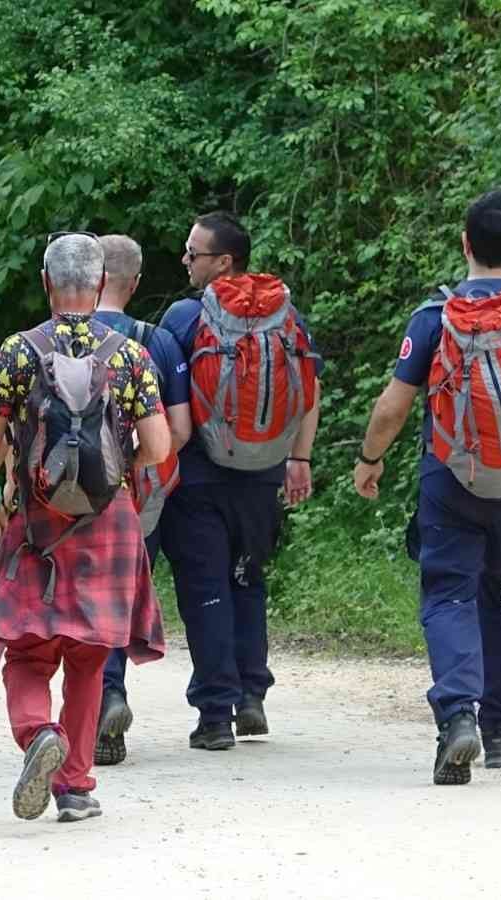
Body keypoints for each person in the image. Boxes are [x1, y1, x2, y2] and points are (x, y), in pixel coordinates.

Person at [352, 191, 501, 784]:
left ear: (465, 244)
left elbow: (393, 406)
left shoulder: (434, 318)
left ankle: (458, 714)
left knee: (449, 595)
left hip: (452, 482)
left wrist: (369, 459)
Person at [0, 232, 169, 823]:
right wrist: (120, 468)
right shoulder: (129, 354)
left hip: (36, 525)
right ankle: (76, 787)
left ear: (46, 283)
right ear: (103, 284)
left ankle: (36, 734)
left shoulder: (18, 351)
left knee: (30, 655)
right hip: (109, 526)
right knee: (87, 660)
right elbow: (158, 445)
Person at [156, 211, 322, 750]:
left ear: (223, 261)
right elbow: (309, 391)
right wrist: (299, 459)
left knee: (205, 589)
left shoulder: (185, 317)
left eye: (193, 254)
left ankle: (214, 714)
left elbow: (165, 396)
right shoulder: (285, 314)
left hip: (200, 480)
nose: (186, 261)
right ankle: (252, 695)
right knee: (247, 580)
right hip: (263, 475)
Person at [90, 233, 192, 767]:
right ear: (133, 282)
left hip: (66, 496)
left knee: (76, 595)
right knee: (118, 594)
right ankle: (110, 690)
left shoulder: (52, 339)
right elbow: (180, 429)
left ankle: (82, 708)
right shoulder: (157, 341)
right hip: (137, 496)